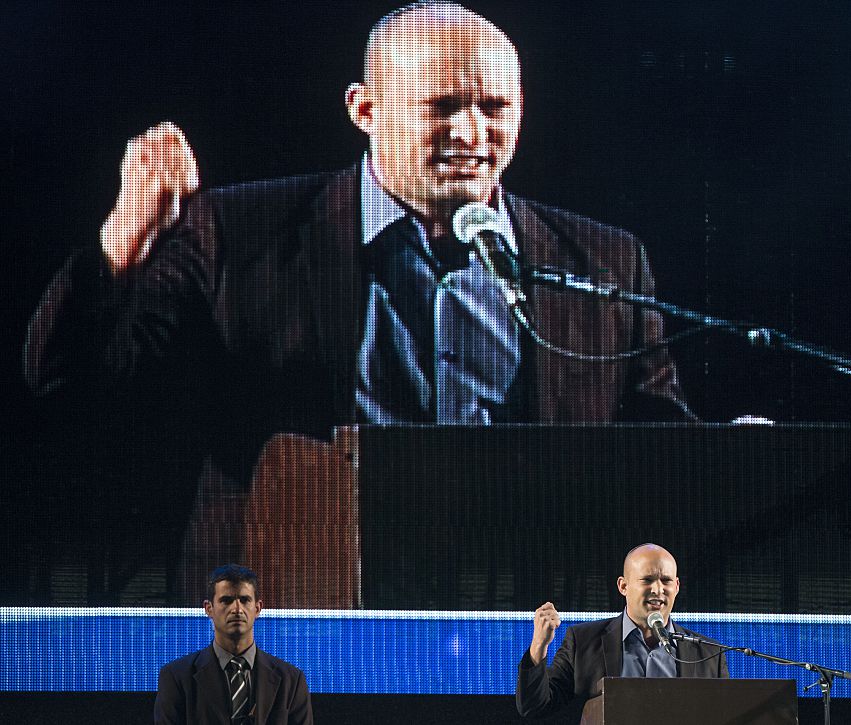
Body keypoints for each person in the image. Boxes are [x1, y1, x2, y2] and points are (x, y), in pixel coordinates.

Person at [24, 1, 696, 601]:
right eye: (441, 107)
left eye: (494, 108)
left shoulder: (601, 261)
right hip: (295, 622)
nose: (471, 132)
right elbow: (68, 379)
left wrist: (733, 452)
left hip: (526, 634)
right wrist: (121, 243)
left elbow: (651, 441)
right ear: (364, 110)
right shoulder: (240, 234)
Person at [516, 543, 729, 719]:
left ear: (677, 586)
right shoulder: (582, 641)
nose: (658, 589)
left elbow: (727, 715)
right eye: (647, 580)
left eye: (666, 580)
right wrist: (539, 646)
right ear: (623, 586)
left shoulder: (709, 655)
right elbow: (534, 706)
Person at [154, 564, 313, 724]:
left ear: (258, 608)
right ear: (208, 608)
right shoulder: (176, 677)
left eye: (245, 600)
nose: (237, 609)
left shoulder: (291, 681)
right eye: (226, 600)